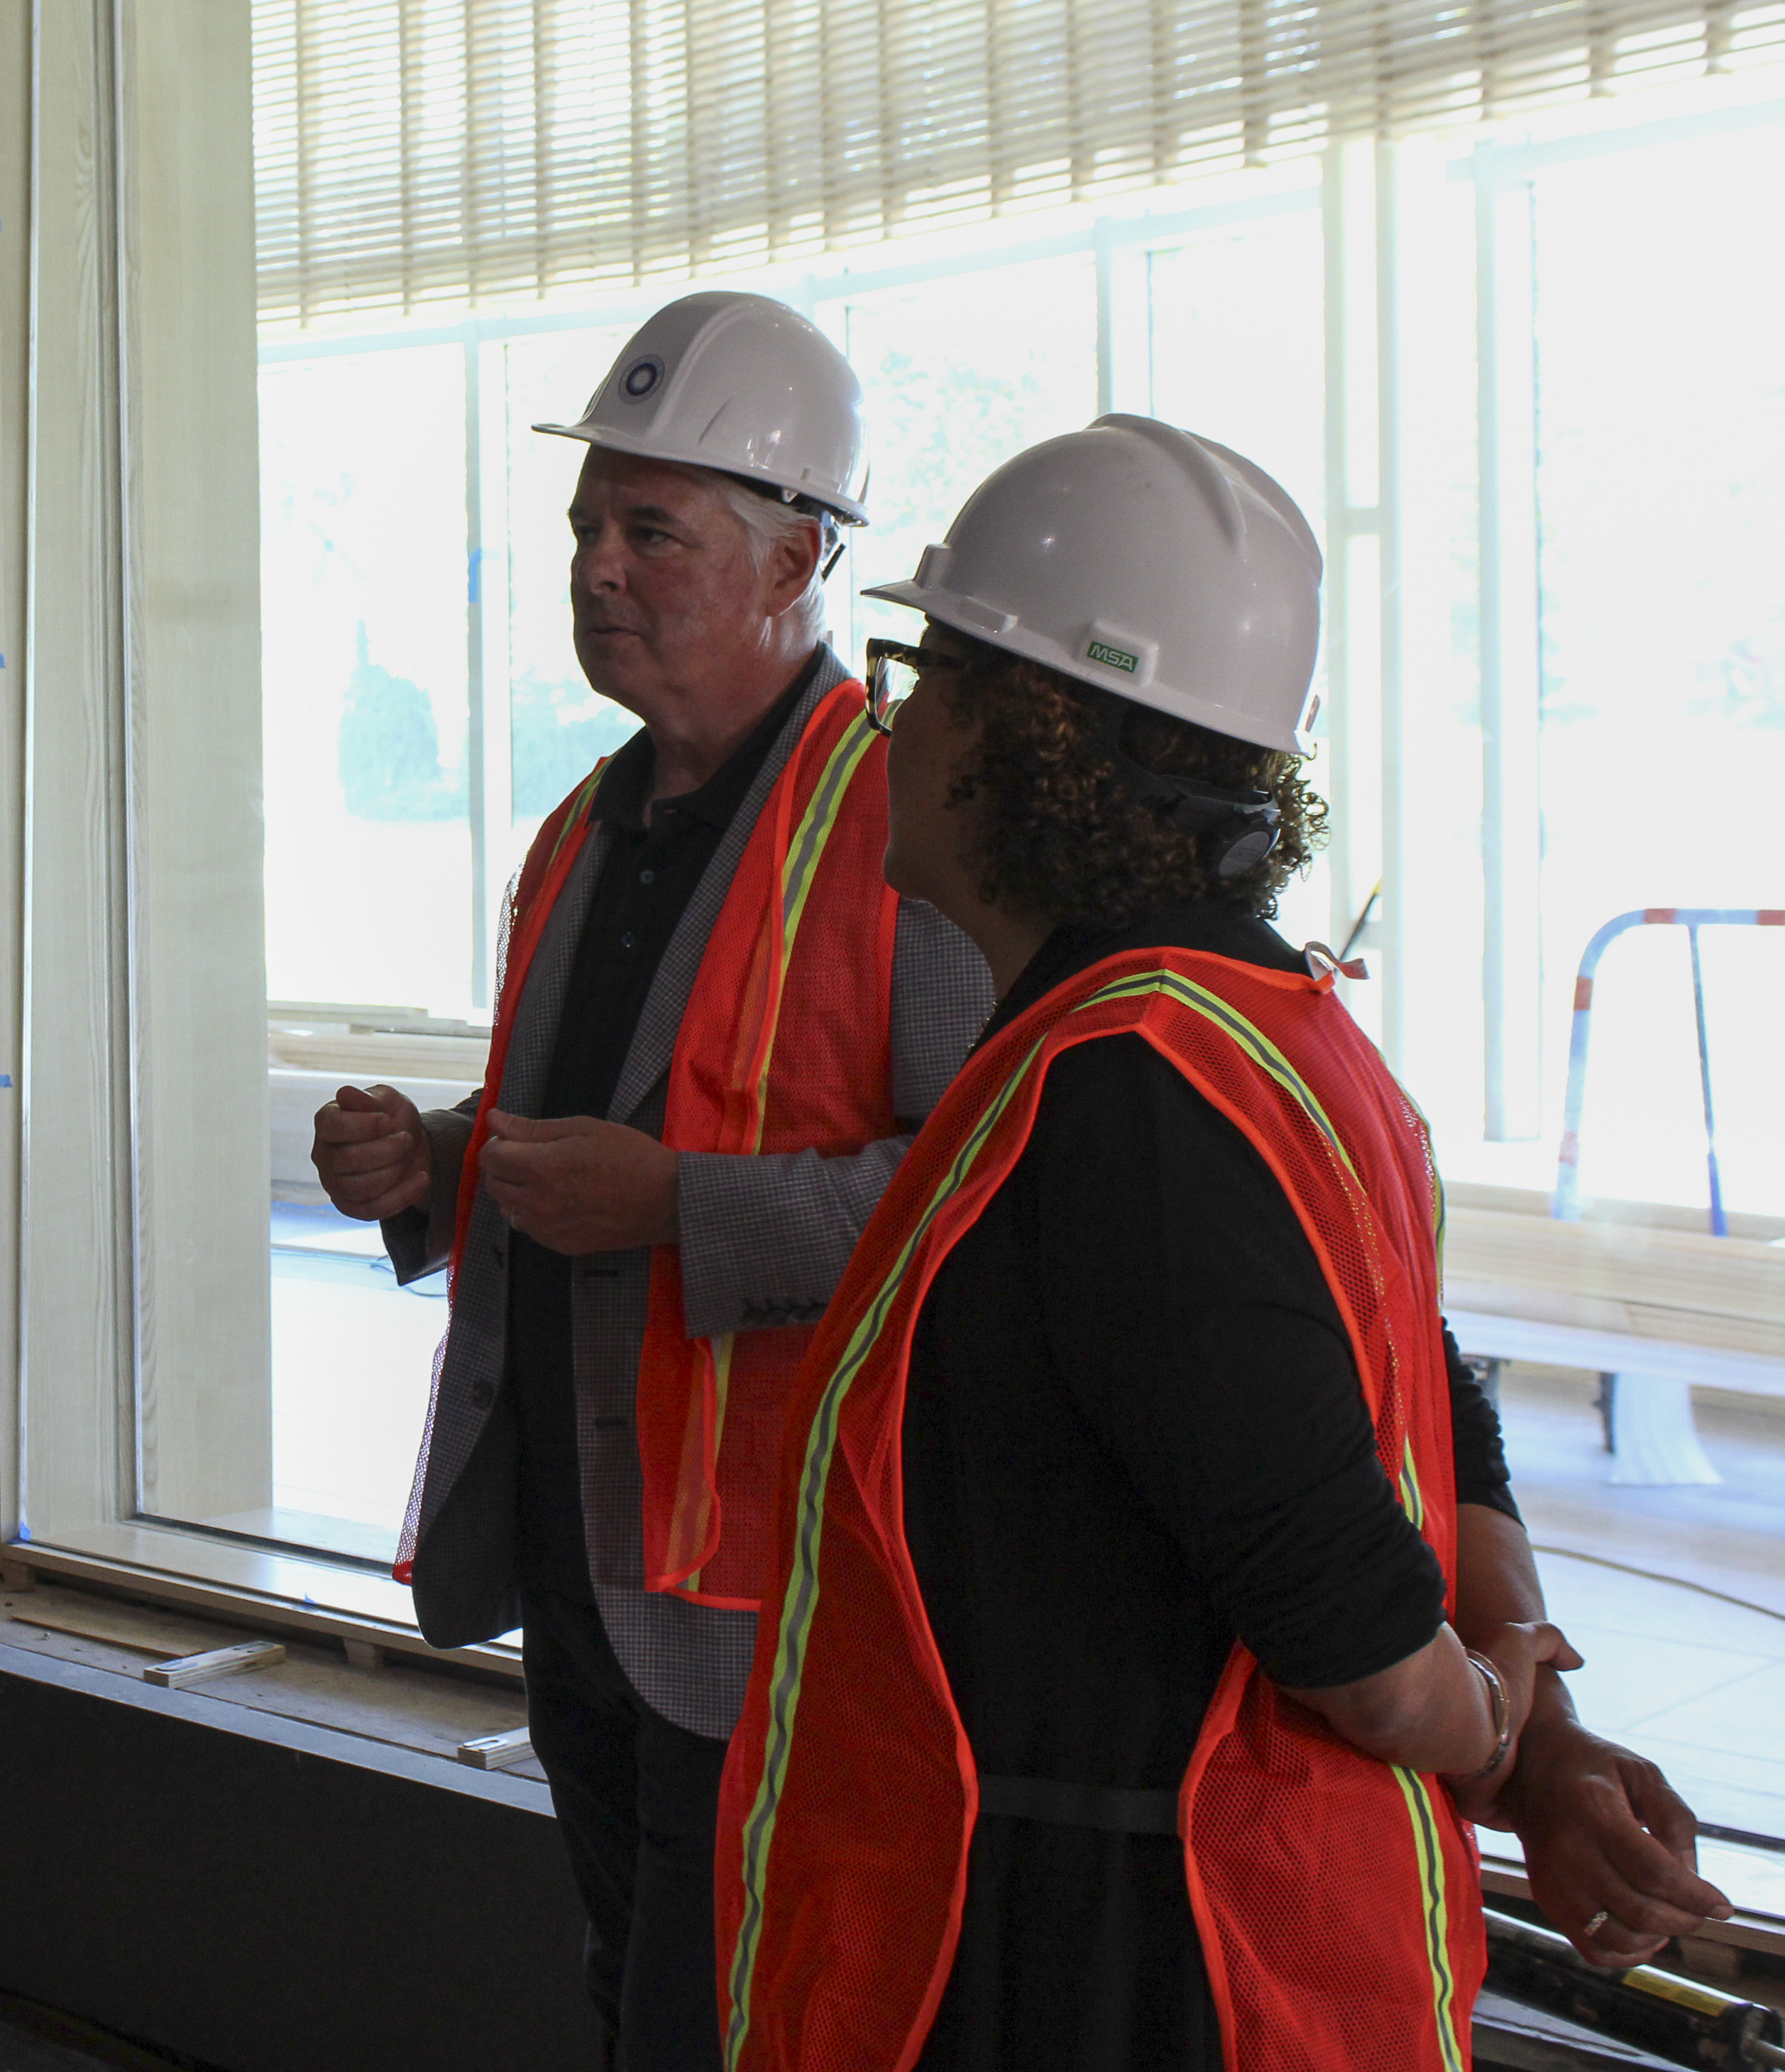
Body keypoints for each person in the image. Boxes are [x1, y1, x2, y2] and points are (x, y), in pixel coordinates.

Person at [708, 417, 1731, 2071]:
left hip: (1129, 1974)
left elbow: (1353, 1634)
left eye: (924, 677)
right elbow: (1430, 1406)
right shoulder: (1259, 1028)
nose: (889, 729)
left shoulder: (1126, 1090)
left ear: (1019, 733)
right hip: (1188, 1950)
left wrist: (1498, 1721)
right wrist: (1534, 1720)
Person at [307, 291, 998, 2068]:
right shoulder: (585, 824)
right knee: (638, 1997)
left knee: (739, 2018)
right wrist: (431, 1161)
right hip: (589, 1564)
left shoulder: (908, 832)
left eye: (651, 530)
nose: (597, 569)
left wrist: (682, 1208)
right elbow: (597, 1122)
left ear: (799, 558)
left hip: (786, 1603)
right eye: (585, 529)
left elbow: (979, 1195)